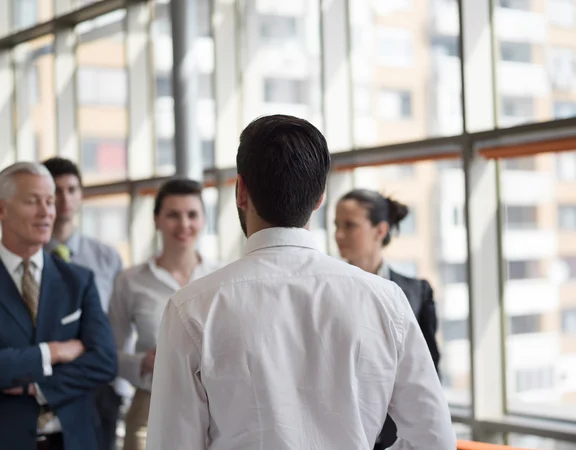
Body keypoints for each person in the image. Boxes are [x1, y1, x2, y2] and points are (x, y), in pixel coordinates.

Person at [146, 114, 456, 450]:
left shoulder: (192, 308)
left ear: (240, 191)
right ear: (320, 196)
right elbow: (434, 440)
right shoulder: (385, 299)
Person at [0, 162, 118, 450]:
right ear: (1, 209)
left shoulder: (79, 281)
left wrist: (34, 386)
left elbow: (104, 361)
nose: (47, 212)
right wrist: (53, 352)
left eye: (50, 201)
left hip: (75, 441)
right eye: (33, 201)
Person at [108, 178, 223, 450]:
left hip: (217, 407)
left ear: (204, 220)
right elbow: (109, 353)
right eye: (173, 215)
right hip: (151, 403)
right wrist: (143, 363)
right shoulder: (130, 281)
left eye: (192, 215)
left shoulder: (221, 277)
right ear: (157, 220)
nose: (184, 224)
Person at [335, 189, 441, 450]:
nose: (339, 234)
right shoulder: (329, 291)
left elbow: (428, 372)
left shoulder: (416, 292)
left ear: (380, 231)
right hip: (341, 432)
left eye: (350, 225)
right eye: (336, 225)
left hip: (398, 437)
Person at [42, 157, 125, 450]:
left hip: (97, 385)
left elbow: (119, 322)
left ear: (81, 195)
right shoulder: (30, 258)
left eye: (72, 189)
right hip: (43, 382)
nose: (65, 198)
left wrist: (119, 385)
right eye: (57, 190)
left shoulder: (106, 257)